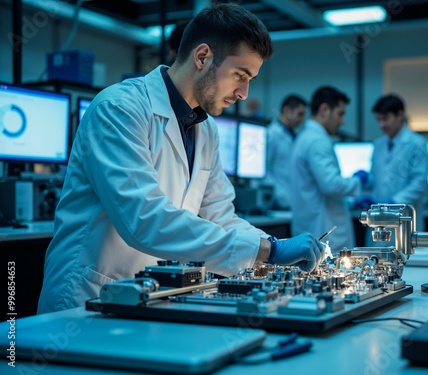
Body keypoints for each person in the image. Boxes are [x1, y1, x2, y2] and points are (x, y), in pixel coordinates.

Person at [38, 3, 323, 314]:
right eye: (240, 75)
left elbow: (219, 216)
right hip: (89, 296)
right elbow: (144, 219)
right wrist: (269, 250)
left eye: (250, 79)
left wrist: (269, 243)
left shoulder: (206, 130)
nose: (244, 92)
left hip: (150, 294)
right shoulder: (119, 109)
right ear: (202, 57)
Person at [290, 86, 368, 254]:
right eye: (340, 114)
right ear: (325, 110)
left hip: (315, 228)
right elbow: (332, 185)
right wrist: (357, 180)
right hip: (325, 232)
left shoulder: (307, 137)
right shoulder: (317, 141)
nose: (342, 121)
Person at [355, 94, 428, 245]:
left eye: (385, 118)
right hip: (378, 222)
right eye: (378, 120)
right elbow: (378, 178)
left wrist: (392, 202)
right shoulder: (378, 144)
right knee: (376, 263)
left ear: (400, 115)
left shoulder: (417, 144)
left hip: (404, 220)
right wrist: (366, 180)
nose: (381, 124)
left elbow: (418, 184)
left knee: (404, 261)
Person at [265, 94, 307, 210]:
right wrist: (281, 196)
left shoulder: (294, 137)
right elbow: (264, 172)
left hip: (294, 204)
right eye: (300, 114)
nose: (302, 120)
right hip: (279, 203)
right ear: (287, 110)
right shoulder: (271, 134)